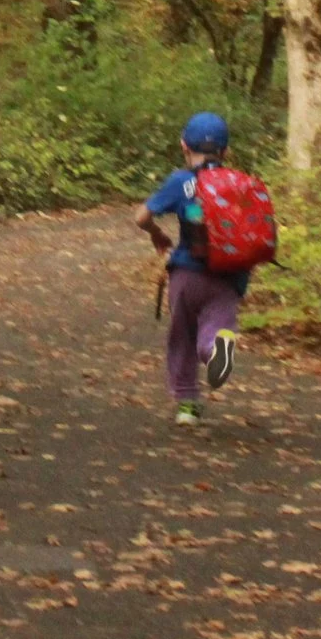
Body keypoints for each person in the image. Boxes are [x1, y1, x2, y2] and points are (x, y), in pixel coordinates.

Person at [135, 112, 248, 426]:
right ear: (226, 151)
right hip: (228, 276)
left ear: (184, 146)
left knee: (182, 336)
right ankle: (215, 349)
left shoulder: (181, 182)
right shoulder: (239, 183)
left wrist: (157, 234)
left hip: (187, 273)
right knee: (216, 326)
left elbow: (141, 217)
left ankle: (187, 405)